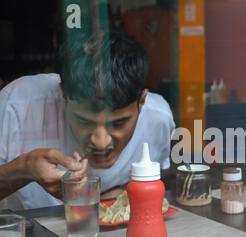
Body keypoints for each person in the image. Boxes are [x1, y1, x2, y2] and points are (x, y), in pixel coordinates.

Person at [0, 28, 175, 210]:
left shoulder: (157, 119)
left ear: (142, 101)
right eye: (84, 121)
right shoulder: (16, 106)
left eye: (118, 123)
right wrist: (23, 170)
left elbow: (152, 183)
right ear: (63, 94)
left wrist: (114, 194)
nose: (100, 142)